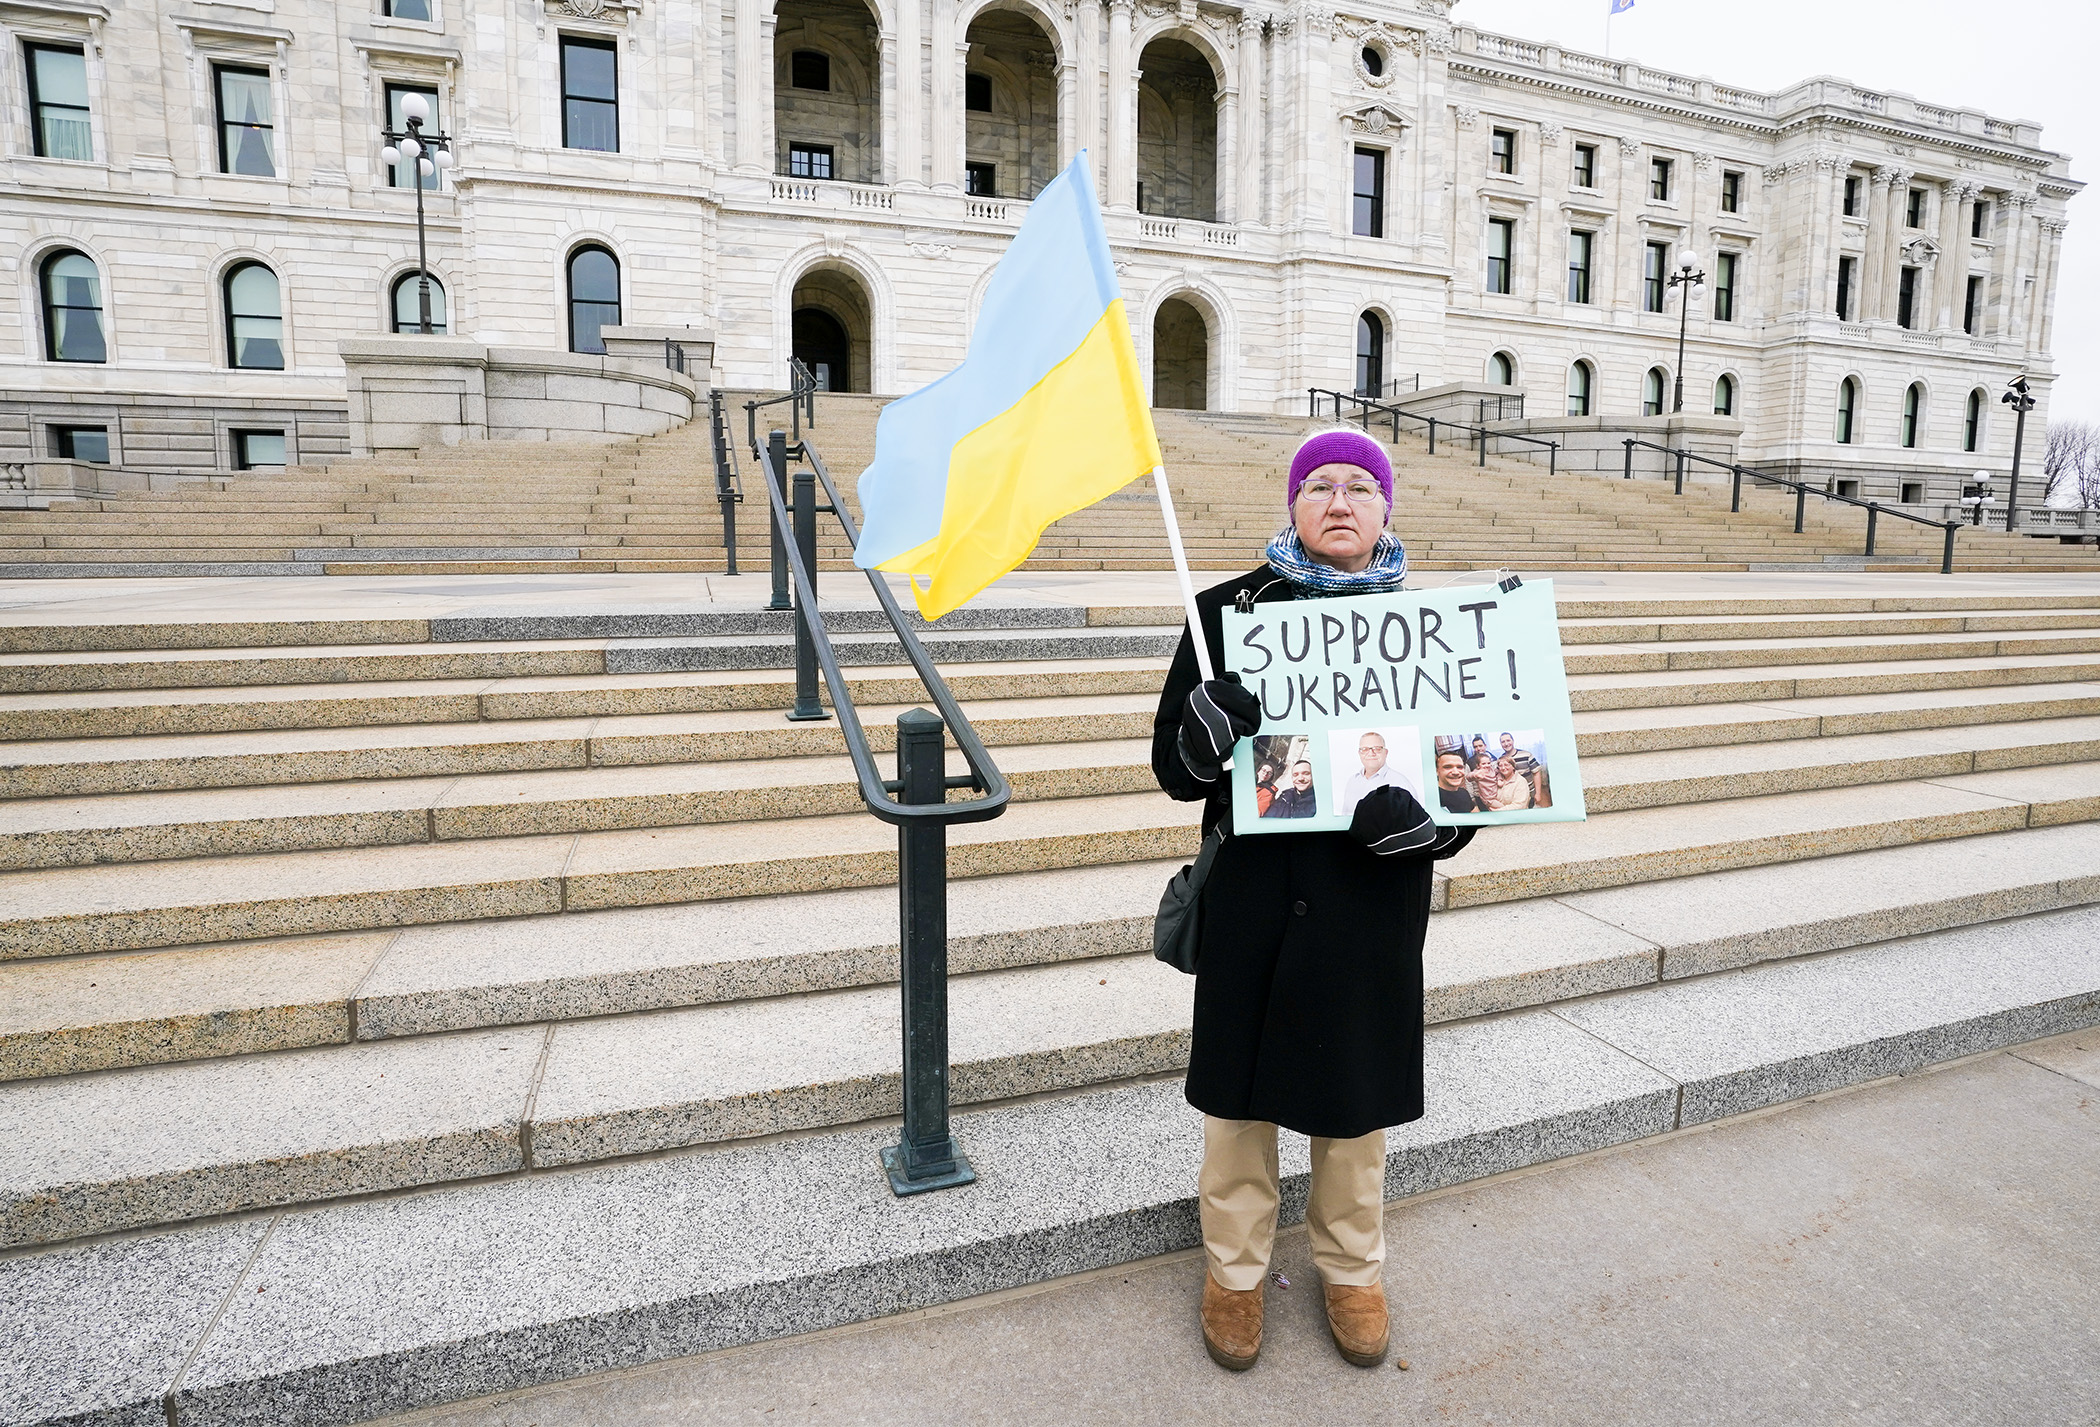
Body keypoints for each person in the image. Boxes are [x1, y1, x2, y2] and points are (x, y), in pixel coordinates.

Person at [1152, 427, 1474, 1374]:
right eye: (1319, 485)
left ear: (1386, 508)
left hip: (1368, 902)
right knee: (1239, 1107)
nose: (1340, 500)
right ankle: (1234, 1273)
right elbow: (1174, 770)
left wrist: (1442, 830)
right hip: (1255, 898)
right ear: (1292, 505)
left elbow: (1477, 774)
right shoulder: (1221, 613)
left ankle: (1352, 1268)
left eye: (1359, 486)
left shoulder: (1436, 629)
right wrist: (1203, 737)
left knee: (1352, 1103)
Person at [1337, 731, 1405, 820]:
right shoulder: (1352, 781)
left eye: (1377, 748)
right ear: (1359, 753)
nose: (1371, 753)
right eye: (1364, 749)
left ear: (1386, 752)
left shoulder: (1400, 782)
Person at [1434, 748, 1482, 814]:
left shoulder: (1464, 793)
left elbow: (1475, 814)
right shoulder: (1433, 798)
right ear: (1436, 771)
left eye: (1459, 767)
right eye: (1447, 767)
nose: (1456, 772)